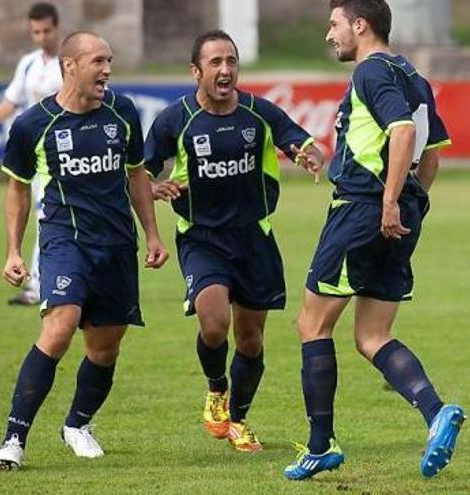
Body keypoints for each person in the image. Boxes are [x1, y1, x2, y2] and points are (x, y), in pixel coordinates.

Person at [283, 0, 466, 481]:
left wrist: (386, 202)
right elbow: (432, 157)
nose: (329, 35)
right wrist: (409, 203)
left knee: (312, 325)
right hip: (400, 215)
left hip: (363, 210)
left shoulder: (371, 72)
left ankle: (321, 444)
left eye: (334, 24)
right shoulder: (414, 76)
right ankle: (436, 412)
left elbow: (403, 132)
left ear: (359, 25)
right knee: (372, 336)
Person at [0, 30, 169, 470]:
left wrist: (153, 234)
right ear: (70, 65)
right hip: (64, 242)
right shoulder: (34, 123)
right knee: (59, 328)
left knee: (105, 349)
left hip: (117, 246)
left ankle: (77, 424)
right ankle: (14, 439)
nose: (107, 70)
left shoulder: (122, 112)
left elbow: (136, 174)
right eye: (98, 61)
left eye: (109, 61)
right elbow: (17, 189)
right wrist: (13, 251)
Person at [144, 30, 324, 453]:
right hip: (201, 238)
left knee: (251, 340)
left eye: (231, 61)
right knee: (213, 324)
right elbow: (141, 171)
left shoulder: (258, 112)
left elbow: (296, 139)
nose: (225, 70)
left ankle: (239, 420)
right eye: (215, 63)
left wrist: (306, 154)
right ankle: (215, 389)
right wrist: (154, 188)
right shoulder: (175, 119)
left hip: (254, 237)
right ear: (196, 71)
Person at [0, 2, 63, 306]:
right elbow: (11, 101)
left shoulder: (69, 62)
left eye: (46, 30)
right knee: (42, 213)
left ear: (57, 28)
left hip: (62, 151)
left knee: (46, 214)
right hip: (34, 151)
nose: (42, 37)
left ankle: (40, 284)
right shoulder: (29, 64)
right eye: (36, 32)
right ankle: (41, 282)